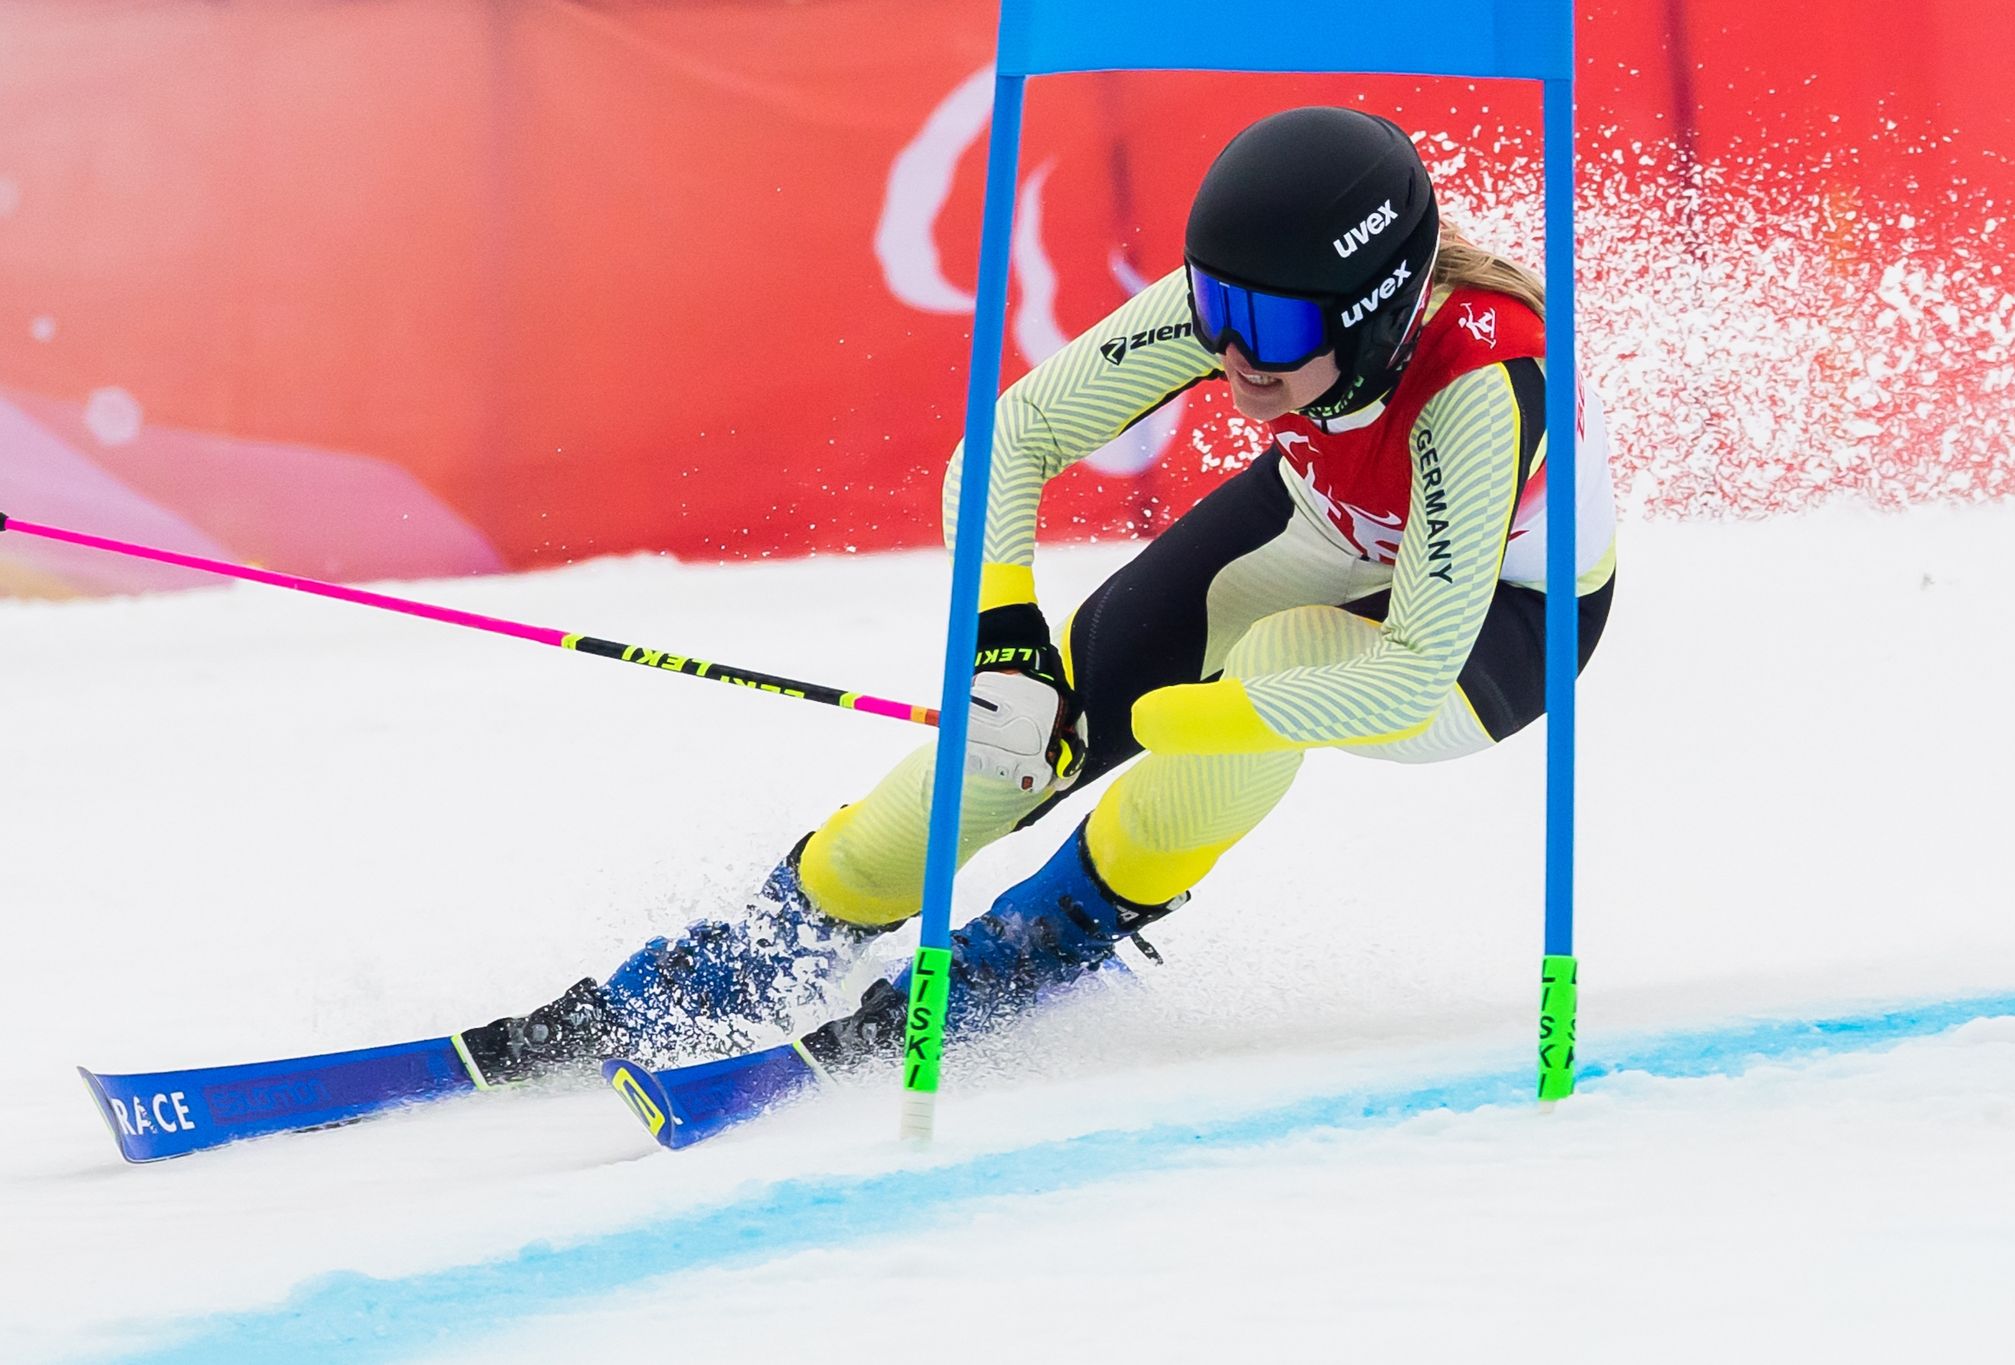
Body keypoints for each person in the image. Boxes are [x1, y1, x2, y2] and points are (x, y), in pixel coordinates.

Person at [460, 105, 1618, 1083]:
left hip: (1499, 624)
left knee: (1273, 668)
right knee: (1020, 732)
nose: (1230, 356)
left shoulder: (1482, 385)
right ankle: (777, 937)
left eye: (1265, 329)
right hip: (1324, 526)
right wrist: (1004, 641)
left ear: (1374, 311)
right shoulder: (1262, 310)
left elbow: (1405, 667)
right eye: (1214, 313)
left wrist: (1170, 717)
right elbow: (1008, 440)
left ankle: (1055, 930)